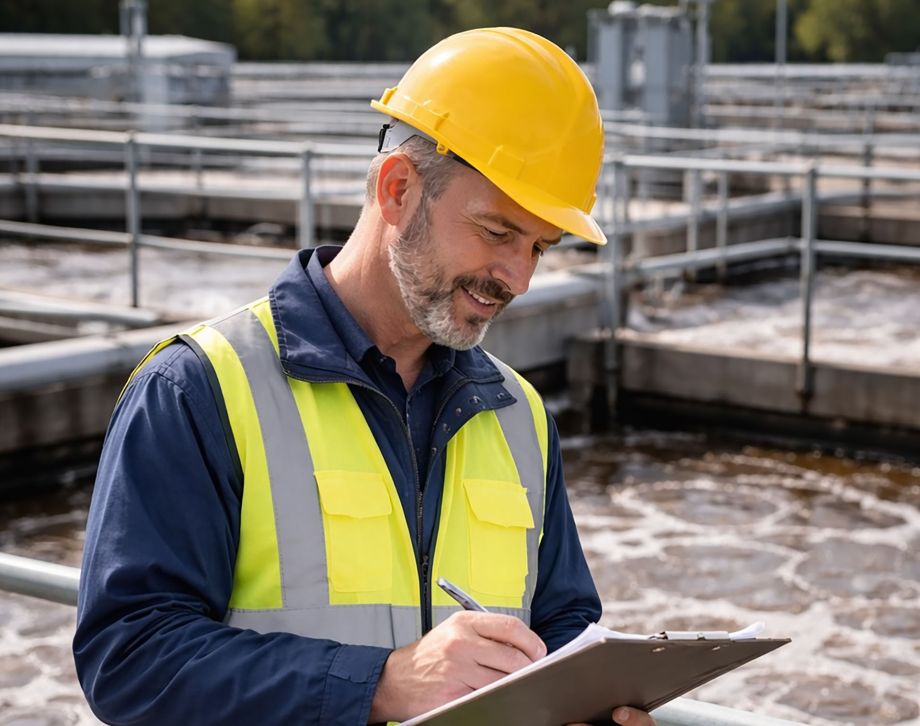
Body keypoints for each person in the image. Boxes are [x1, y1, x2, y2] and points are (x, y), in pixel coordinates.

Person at [73, 27, 655, 726]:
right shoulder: (198, 390)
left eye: (540, 246)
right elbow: (130, 658)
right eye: (498, 233)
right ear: (398, 188)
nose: (520, 277)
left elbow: (562, 623)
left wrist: (588, 705)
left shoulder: (521, 413)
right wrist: (378, 684)